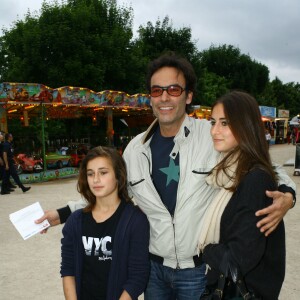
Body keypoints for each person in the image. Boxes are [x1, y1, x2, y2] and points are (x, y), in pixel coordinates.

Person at [36, 53, 296, 299]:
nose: (164, 98)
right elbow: (109, 192)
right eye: (156, 90)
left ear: (188, 95)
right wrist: (61, 213)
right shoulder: (135, 149)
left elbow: (259, 163)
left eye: (173, 89)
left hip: (198, 269)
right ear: (150, 97)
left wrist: (287, 195)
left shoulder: (212, 135)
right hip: (153, 270)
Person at [200, 91, 285, 299]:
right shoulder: (232, 173)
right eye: (213, 122)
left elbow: (238, 258)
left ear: (245, 126)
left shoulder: (255, 179)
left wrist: (206, 248)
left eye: (224, 123)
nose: (214, 131)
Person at [61, 146, 149, 300]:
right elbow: (68, 270)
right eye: (90, 174)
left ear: (118, 175)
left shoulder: (135, 221)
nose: (95, 179)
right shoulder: (75, 221)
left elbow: (137, 276)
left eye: (103, 172)